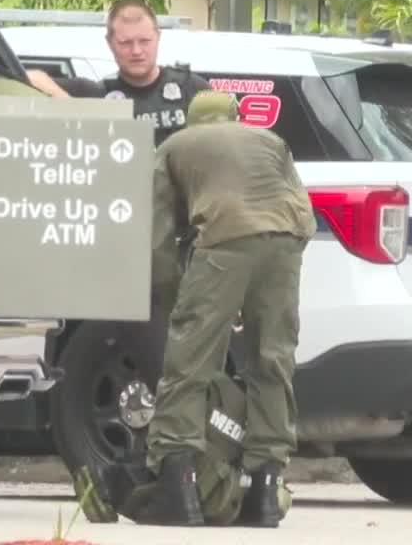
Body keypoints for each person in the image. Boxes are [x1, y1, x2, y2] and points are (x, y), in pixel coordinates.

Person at [143, 90, 317, 528]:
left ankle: (178, 492)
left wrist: (173, 295)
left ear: (191, 121)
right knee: (272, 360)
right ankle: (263, 492)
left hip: (224, 240)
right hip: (287, 241)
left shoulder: (174, 146)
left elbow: (157, 239)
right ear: (235, 117)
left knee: (190, 363)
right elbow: (300, 205)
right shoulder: (269, 140)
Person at [25, 0, 213, 146]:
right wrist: (68, 104)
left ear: (158, 37)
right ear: (109, 43)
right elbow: (30, 78)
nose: (137, 51)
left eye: (145, 41)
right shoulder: (97, 95)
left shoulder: (193, 89)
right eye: (125, 43)